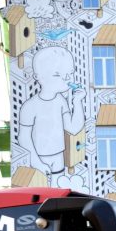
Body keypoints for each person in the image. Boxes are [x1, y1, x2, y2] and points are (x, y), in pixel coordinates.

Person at [18, 46, 86, 175]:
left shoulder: (60, 101)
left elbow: (73, 128)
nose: (68, 79)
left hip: (58, 157)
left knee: (57, 191)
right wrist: (37, 162)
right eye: (57, 74)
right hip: (38, 159)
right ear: (38, 76)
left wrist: (77, 103)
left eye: (70, 73)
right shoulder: (29, 106)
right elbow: (24, 138)